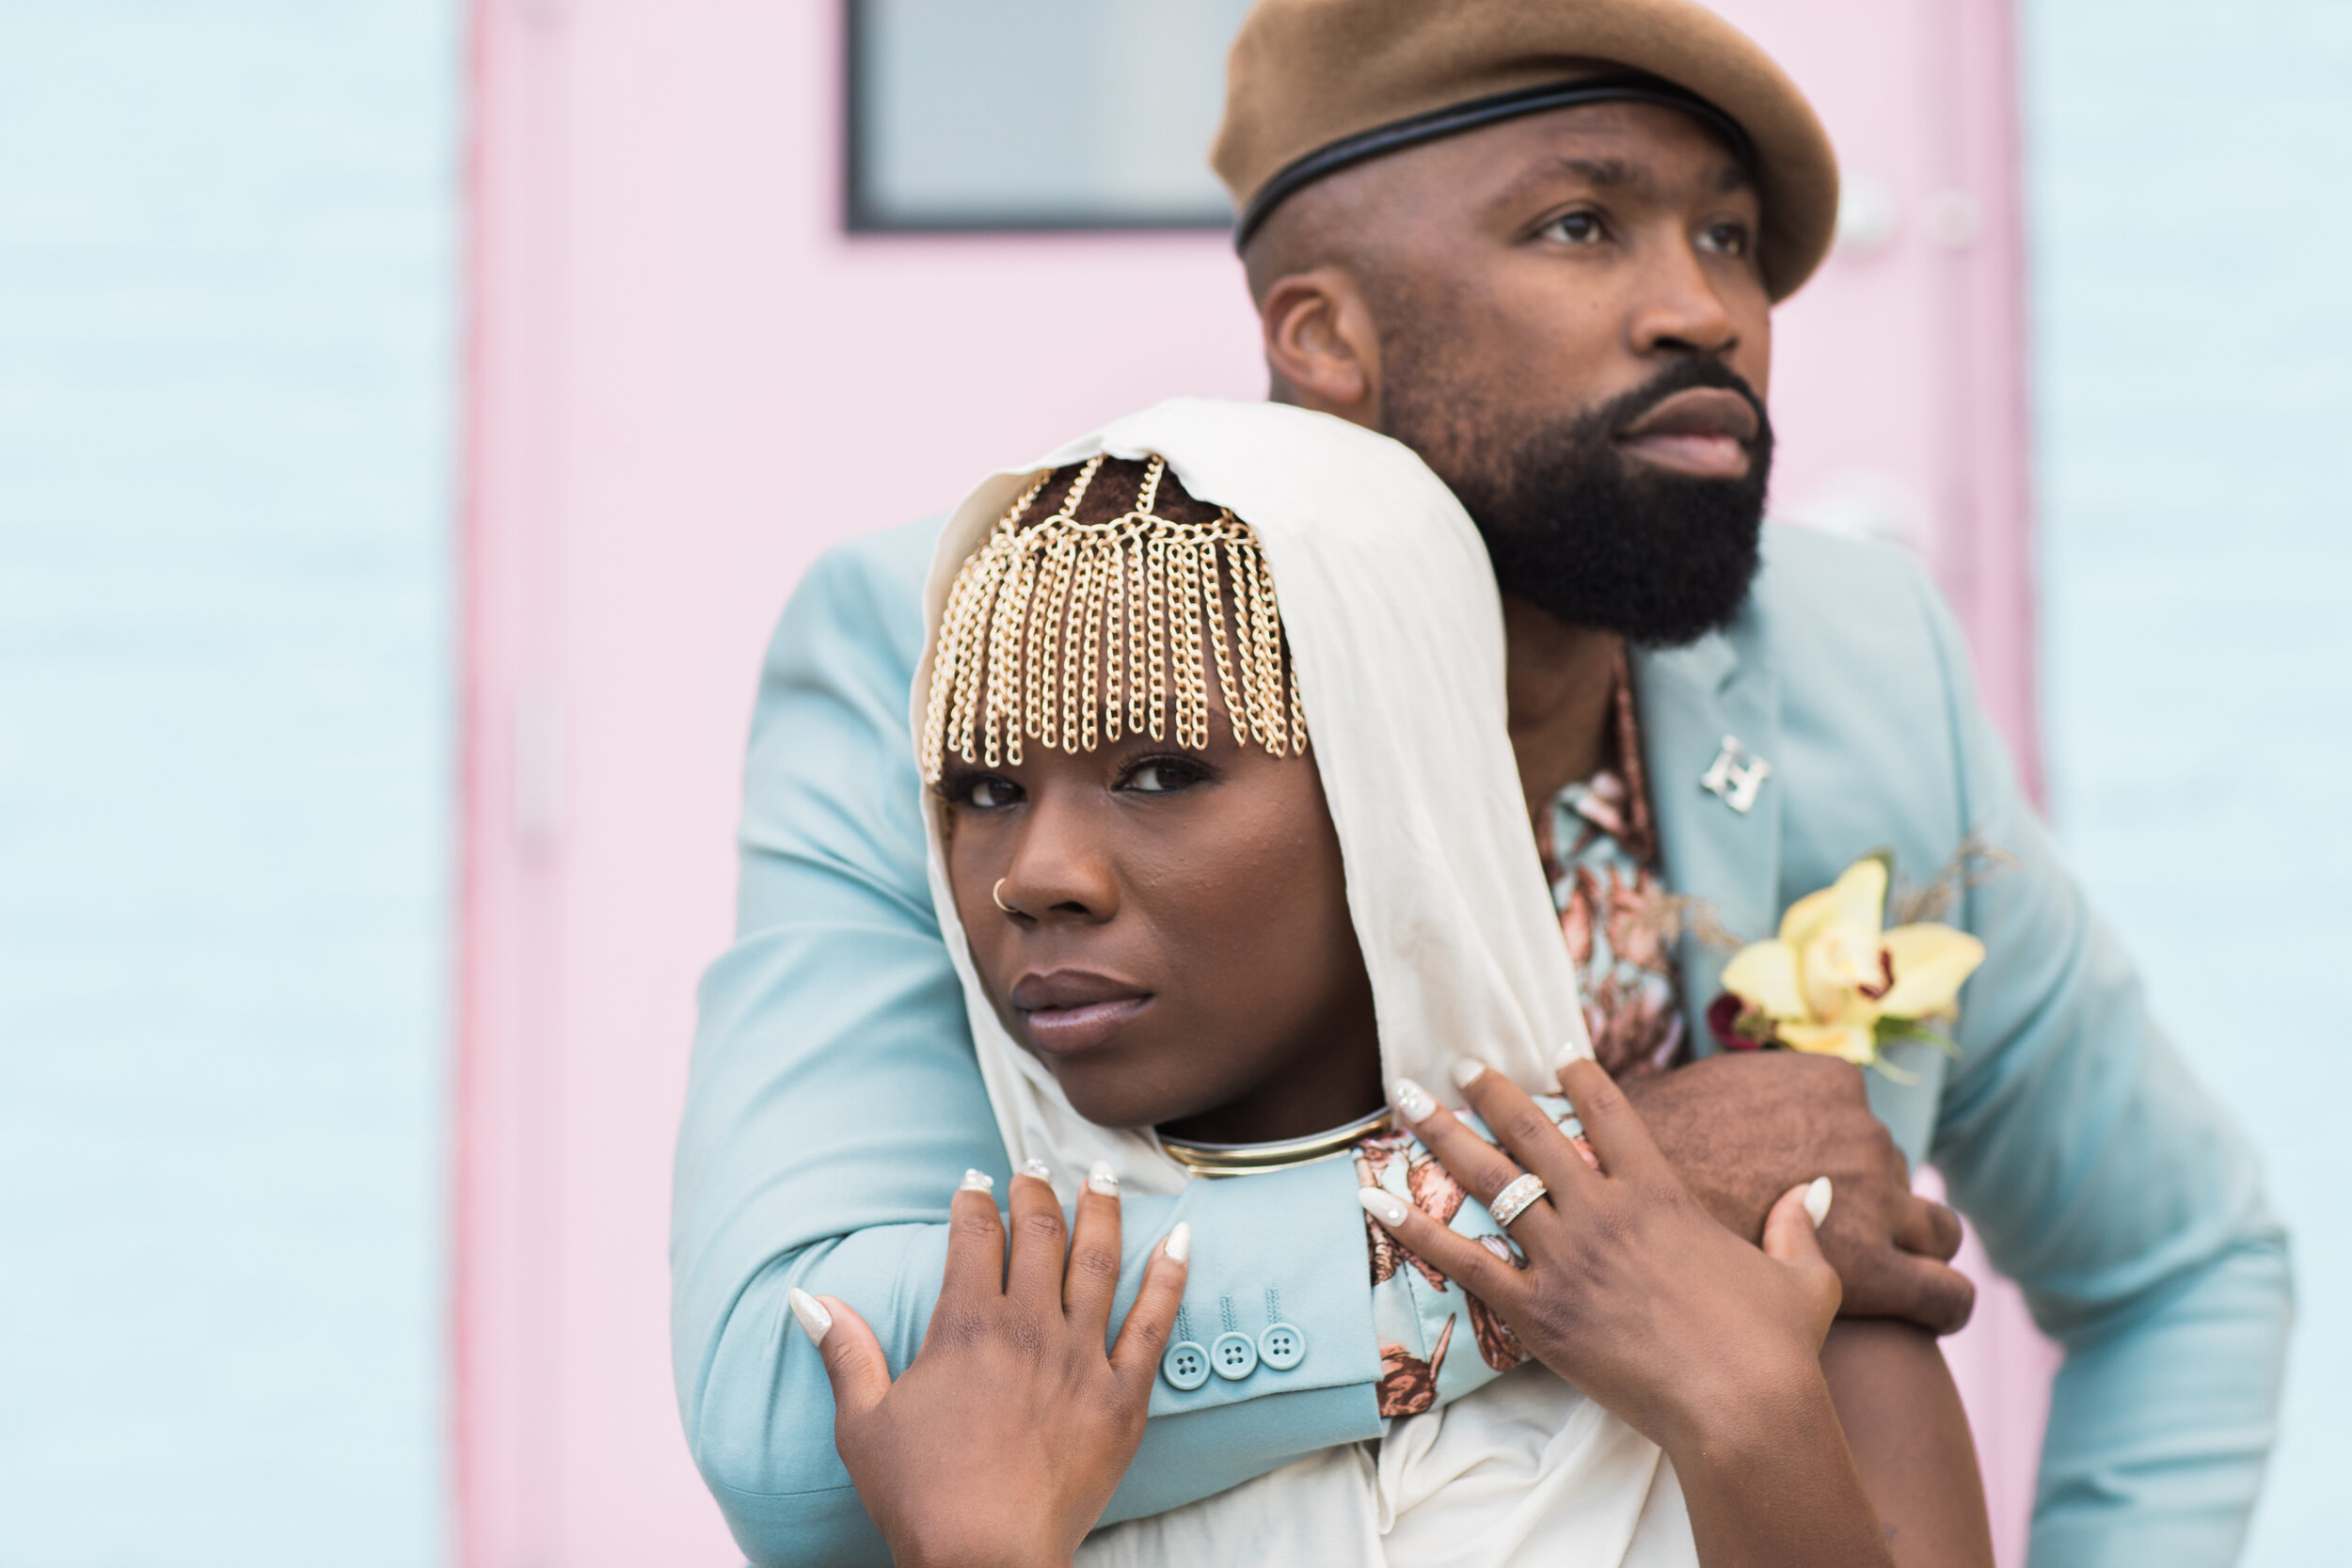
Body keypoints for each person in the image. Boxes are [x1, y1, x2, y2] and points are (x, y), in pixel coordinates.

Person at [671, 3, 2290, 1564]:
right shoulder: (991, 635)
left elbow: (2182, 1264)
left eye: (1730, 240)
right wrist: (1575, 1218)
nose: (1702, 310)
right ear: (1323, 336)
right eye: (1584, 226)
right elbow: (785, 1398)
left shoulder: (1858, 667)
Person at [794, 404, 1985, 1566]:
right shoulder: (969, 1377)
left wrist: (1752, 1420)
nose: (1034, 876)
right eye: (985, 790)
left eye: (1159, 769)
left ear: (1400, 795)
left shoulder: (1787, 1297)